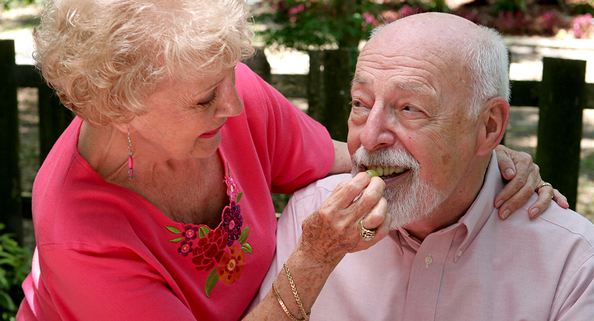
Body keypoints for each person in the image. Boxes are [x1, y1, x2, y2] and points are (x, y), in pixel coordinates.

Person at [17, 1, 563, 320]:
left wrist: (478, 149)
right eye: (205, 99)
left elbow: (352, 157)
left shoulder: (232, 101)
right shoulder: (81, 235)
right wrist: (315, 258)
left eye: (229, 75)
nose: (234, 106)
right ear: (121, 110)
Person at [259, 13, 594, 320]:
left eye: (410, 108)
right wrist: (315, 259)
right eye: (360, 103)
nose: (369, 137)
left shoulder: (573, 264)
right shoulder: (312, 221)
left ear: (489, 127)